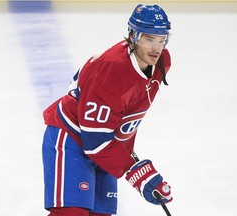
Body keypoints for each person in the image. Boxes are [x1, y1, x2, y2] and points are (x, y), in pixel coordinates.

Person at [42, 4, 173, 216]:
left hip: (108, 146)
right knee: (71, 213)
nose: (156, 48)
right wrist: (136, 172)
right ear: (133, 36)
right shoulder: (111, 71)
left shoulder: (161, 63)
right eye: (149, 39)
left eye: (161, 39)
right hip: (72, 139)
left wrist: (129, 160)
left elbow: (123, 115)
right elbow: (94, 140)